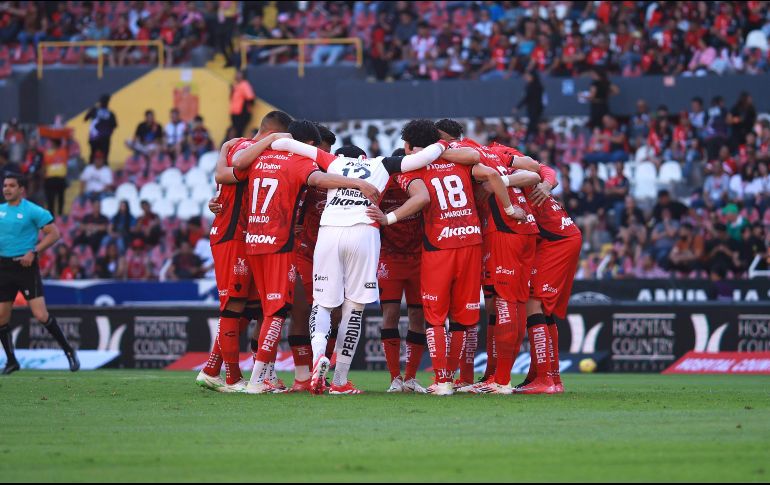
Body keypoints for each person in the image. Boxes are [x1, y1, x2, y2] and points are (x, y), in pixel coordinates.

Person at [268, 122, 474, 395]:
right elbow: (423, 158)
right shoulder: (383, 164)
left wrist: (278, 137)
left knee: (322, 305)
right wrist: (443, 144)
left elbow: (284, 145)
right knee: (354, 308)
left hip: (328, 233)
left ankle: (319, 356)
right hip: (364, 233)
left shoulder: (333, 163)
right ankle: (340, 380)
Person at [230, 120, 382, 395]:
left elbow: (231, 173)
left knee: (300, 310)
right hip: (293, 247)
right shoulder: (302, 165)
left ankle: (294, 374)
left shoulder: (268, 160)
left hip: (281, 243)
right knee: (291, 310)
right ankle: (277, 375)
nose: (323, 160)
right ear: (311, 147)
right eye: (321, 152)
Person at [394, 120, 517, 396]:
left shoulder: (412, 165)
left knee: (436, 317)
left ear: (412, 146)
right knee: (463, 318)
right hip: (472, 241)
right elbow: (486, 170)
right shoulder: (461, 160)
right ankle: (455, 377)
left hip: (439, 245)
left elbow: (415, 193)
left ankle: (443, 380)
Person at [196, 111, 293, 393]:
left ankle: (213, 368)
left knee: (249, 310)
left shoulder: (234, 144)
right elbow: (225, 173)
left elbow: (223, 176)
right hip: (232, 236)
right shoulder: (253, 153)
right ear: (274, 133)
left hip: (244, 237)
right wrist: (272, 140)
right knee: (233, 306)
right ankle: (231, 378)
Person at [0, 174, 79, 375]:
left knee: (40, 314)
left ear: (21, 189)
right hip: (3, 267)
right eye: (5, 185)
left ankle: (69, 351)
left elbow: (54, 233)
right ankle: (11, 361)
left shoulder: (32, 210)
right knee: (1, 316)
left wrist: (34, 251)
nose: (7, 189)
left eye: (11, 186)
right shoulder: (0, 211)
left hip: (25, 267)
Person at [376, 149, 429, 394]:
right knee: (391, 314)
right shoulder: (380, 187)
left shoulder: (419, 187)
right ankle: (394, 378)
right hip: (390, 258)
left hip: (419, 259)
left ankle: (410, 378)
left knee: (419, 317)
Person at [83, 94, 117, 164]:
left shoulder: (94, 110)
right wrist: (109, 133)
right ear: (108, 102)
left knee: (92, 155)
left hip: (94, 137)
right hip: (105, 138)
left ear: (99, 102)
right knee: (104, 157)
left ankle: (90, 170)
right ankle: (104, 172)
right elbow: (114, 125)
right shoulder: (110, 114)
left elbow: (85, 119)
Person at [514, 69, 544, 141]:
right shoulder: (530, 86)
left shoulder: (535, 87)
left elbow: (527, 98)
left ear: (532, 77)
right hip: (533, 109)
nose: (527, 77)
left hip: (536, 109)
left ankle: (529, 140)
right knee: (532, 125)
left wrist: (518, 107)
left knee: (533, 125)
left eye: (528, 76)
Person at [42, 138, 68, 216]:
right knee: (52, 200)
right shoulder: (49, 152)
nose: (51, 144)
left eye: (52, 143)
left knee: (59, 199)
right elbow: (44, 165)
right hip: (51, 179)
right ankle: (53, 217)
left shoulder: (63, 151)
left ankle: (58, 216)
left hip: (58, 178)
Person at [230, 70, 255, 138]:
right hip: (235, 113)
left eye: (239, 74)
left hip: (242, 113)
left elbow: (250, 98)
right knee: (235, 131)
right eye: (237, 73)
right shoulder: (235, 85)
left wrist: (245, 109)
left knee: (239, 131)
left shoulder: (245, 84)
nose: (237, 75)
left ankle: (238, 147)